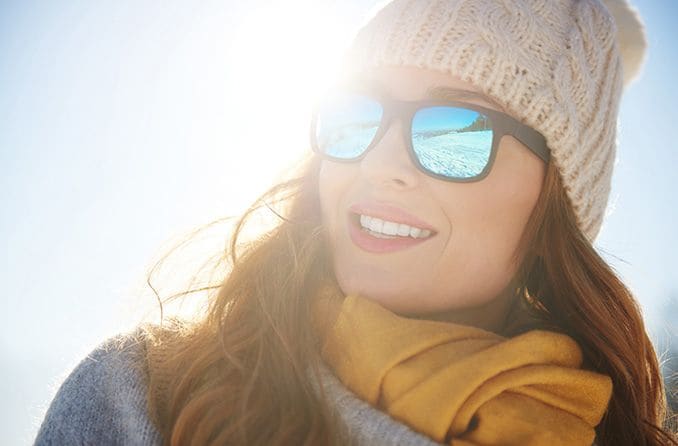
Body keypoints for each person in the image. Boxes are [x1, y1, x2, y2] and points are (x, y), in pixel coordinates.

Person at [34, 0, 677, 445]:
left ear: (555, 201)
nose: (380, 161)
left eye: (455, 130)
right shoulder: (144, 399)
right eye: (356, 115)